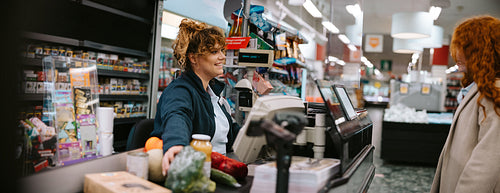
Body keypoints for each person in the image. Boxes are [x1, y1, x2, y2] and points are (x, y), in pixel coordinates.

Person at [150, 19, 240, 176]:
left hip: (220, 169)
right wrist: (176, 145)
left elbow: (231, 132)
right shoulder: (180, 90)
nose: (222, 57)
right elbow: (177, 116)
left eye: (222, 51)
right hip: (195, 172)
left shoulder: (213, 93)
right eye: (214, 52)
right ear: (193, 58)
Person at [430, 15, 500, 193]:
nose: (456, 53)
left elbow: (487, 163)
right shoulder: (480, 88)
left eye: (464, 47)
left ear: (481, 50)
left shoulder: (494, 93)